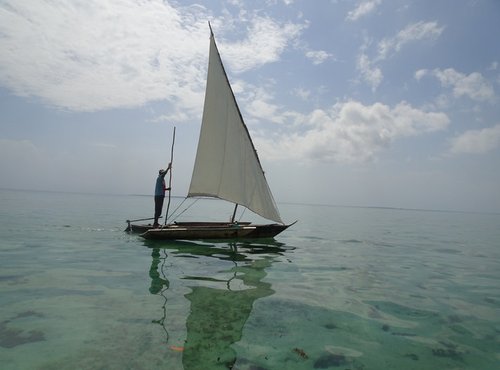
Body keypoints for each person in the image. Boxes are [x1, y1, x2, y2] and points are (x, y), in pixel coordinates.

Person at [153, 163, 171, 228]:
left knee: (159, 210)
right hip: (158, 196)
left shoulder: (162, 180)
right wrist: (168, 168)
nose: (163, 174)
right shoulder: (160, 178)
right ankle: (155, 223)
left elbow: (162, 188)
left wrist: (167, 189)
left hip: (161, 196)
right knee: (157, 210)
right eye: (162, 173)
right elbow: (164, 174)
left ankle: (156, 222)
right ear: (160, 173)